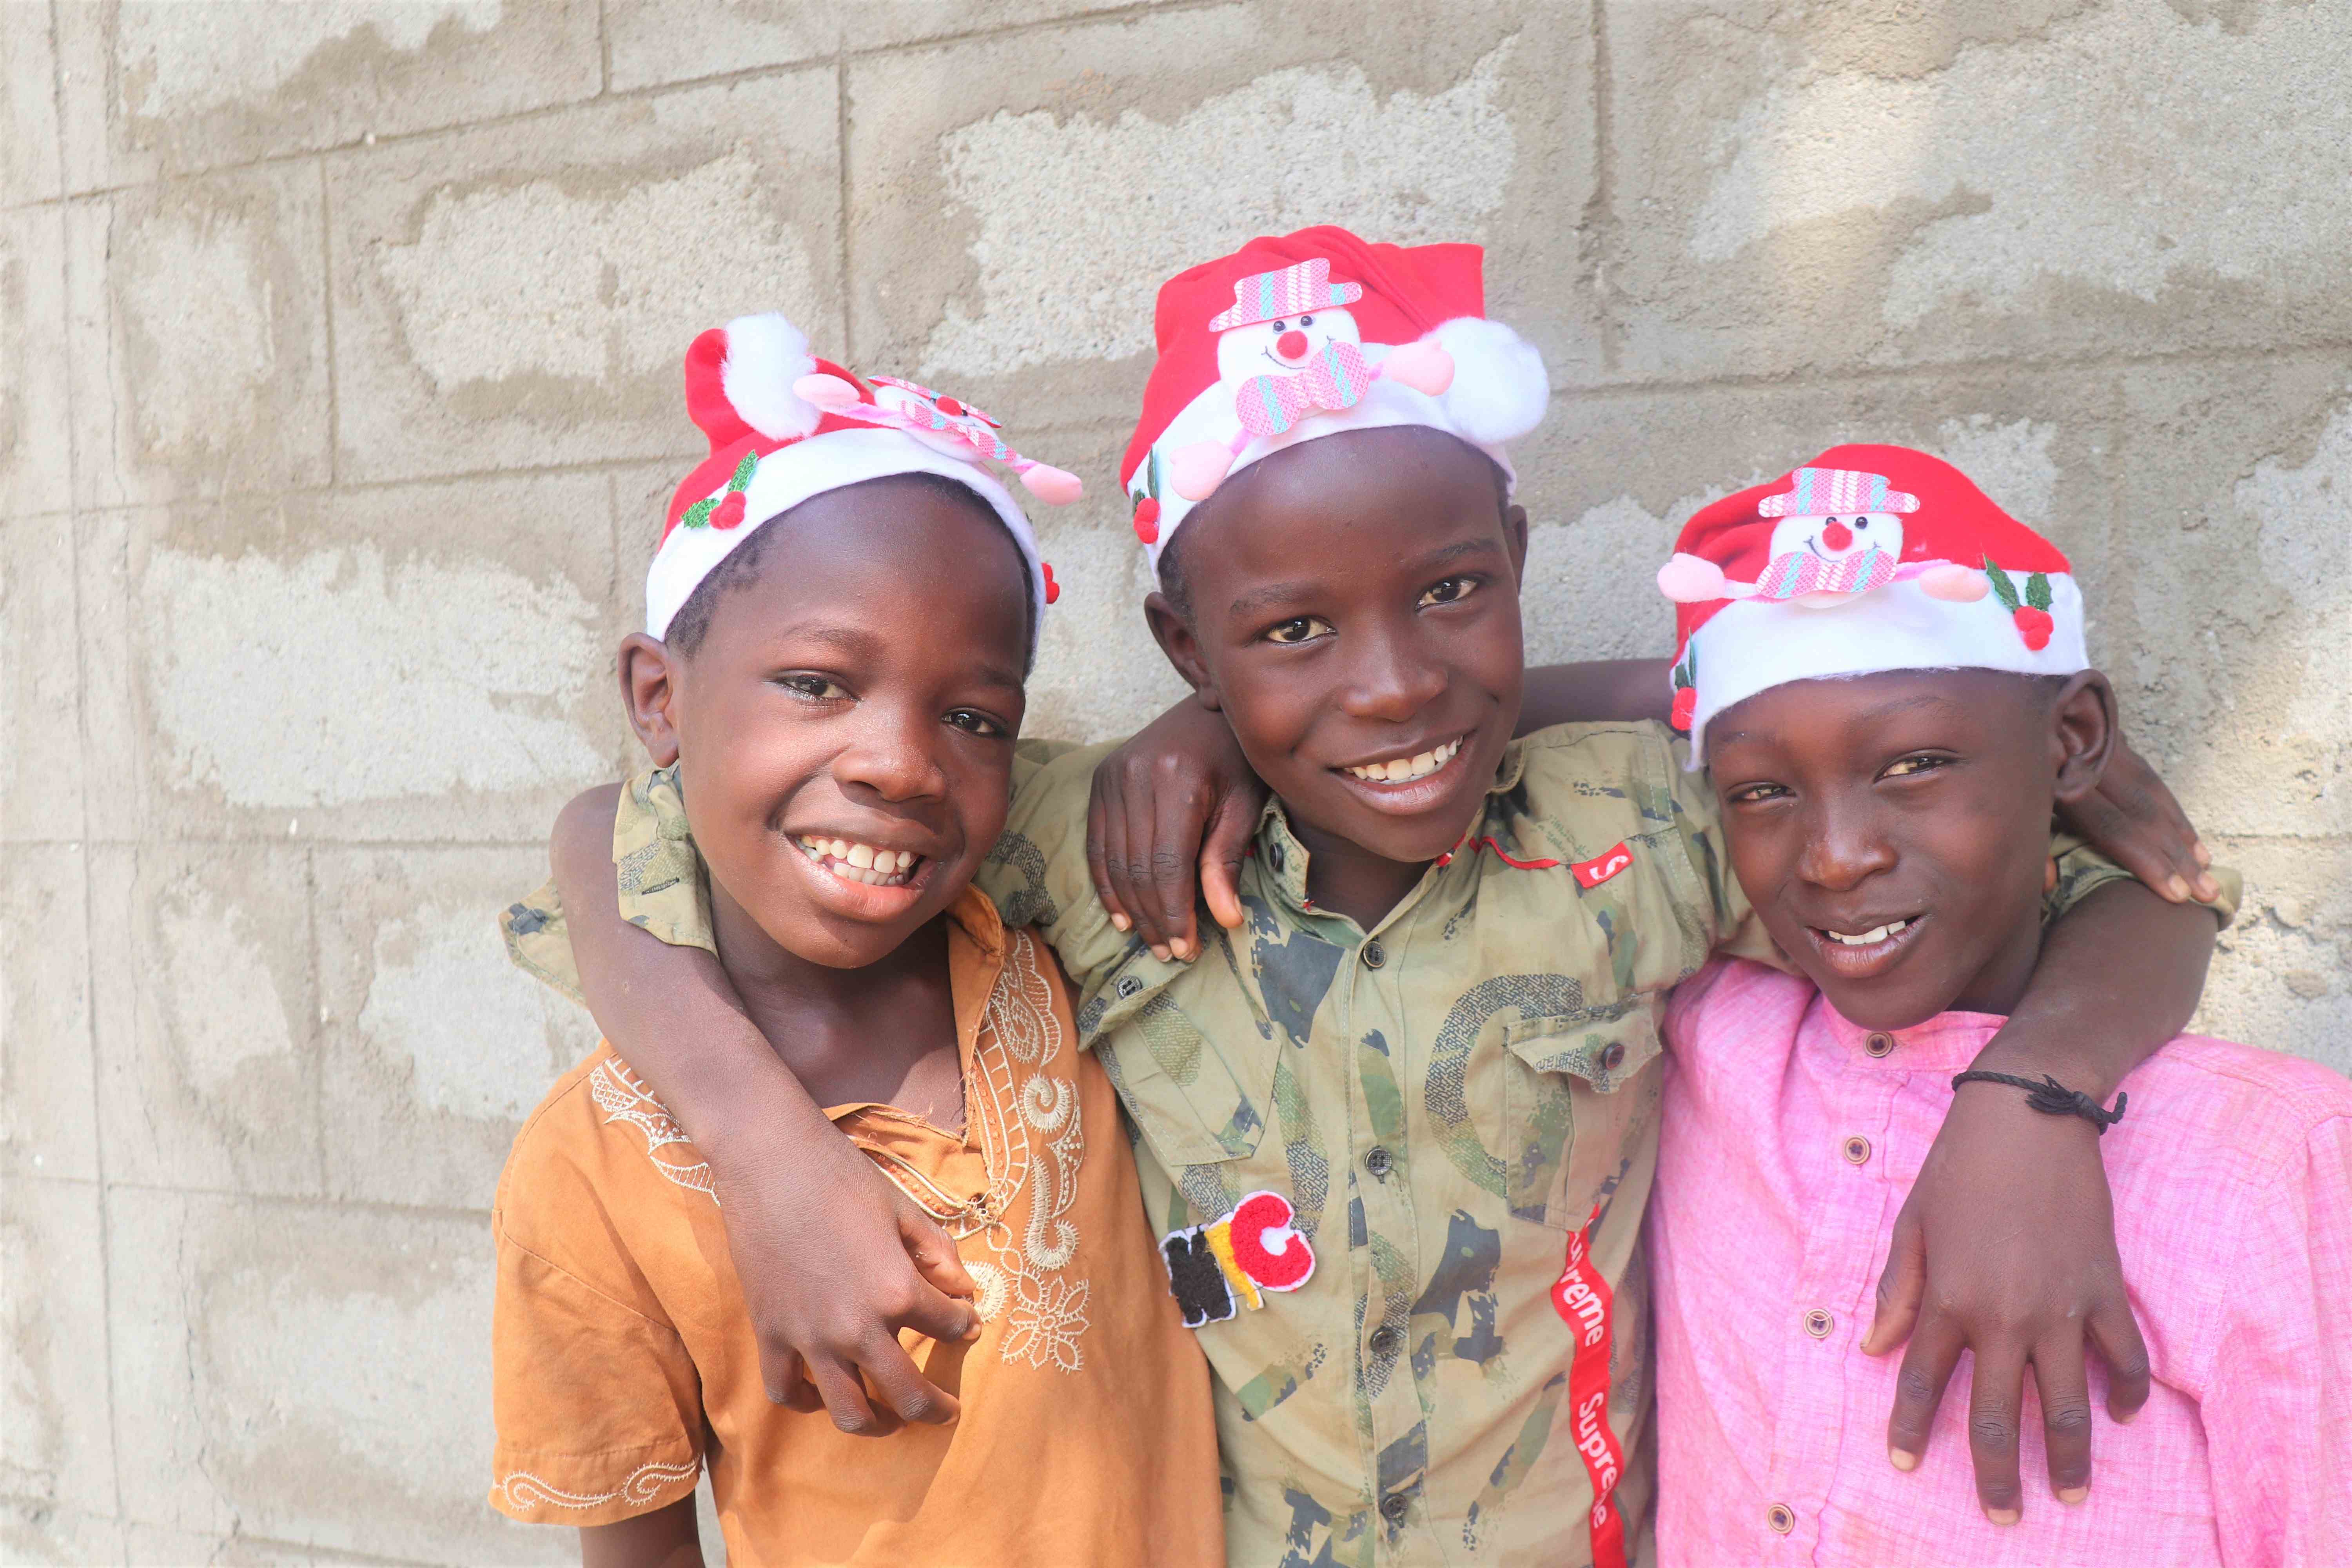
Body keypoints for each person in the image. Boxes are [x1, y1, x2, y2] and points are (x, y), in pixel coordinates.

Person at [534, 233, 2220, 1566]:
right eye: (1288, 639)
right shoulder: (1086, 847)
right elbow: (620, 827)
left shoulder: (1635, 836)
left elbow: (2132, 894)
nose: (1398, 687)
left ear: (1514, 552)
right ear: (1188, 649)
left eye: (1452, 595)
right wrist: (762, 1150)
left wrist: (2032, 1102)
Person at [487, 315, 1222, 1567]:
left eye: (974, 715)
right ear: (660, 699)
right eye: (820, 684)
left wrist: (1210, 736)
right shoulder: (591, 1171)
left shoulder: (1070, 961)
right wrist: (761, 1148)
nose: (898, 764)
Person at [1636, 446, 2351, 1566]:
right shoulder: (1699, 1036)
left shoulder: (2272, 1164)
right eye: (1763, 792)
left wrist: (2032, 1095)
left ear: (2073, 742)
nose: (1835, 858)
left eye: (1914, 764)